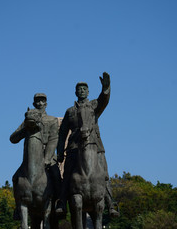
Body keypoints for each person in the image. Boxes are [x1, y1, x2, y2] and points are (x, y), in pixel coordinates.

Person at [55, 72, 119, 218]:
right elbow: (63, 133)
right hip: (74, 148)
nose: (82, 91)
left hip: (95, 147)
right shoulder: (70, 111)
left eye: (84, 89)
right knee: (67, 175)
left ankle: (110, 204)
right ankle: (62, 202)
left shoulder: (94, 106)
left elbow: (104, 100)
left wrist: (106, 88)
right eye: (79, 89)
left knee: (105, 175)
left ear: (88, 92)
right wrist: (59, 152)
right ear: (75, 92)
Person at [10, 93, 60, 219]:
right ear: (33, 104)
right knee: (16, 177)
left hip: (47, 155)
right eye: (37, 101)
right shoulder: (28, 119)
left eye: (42, 101)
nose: (39, 103)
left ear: (46, 103)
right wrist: (25, 127)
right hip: (29, 157)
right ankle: (17, 208)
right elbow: (13, 138)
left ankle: (60, 204)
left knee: (56, 176)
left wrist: (47, 158)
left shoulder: (52, 120)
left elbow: (53, 139)